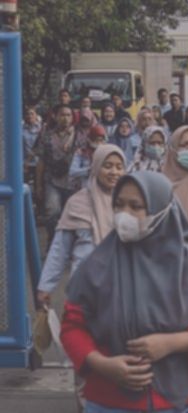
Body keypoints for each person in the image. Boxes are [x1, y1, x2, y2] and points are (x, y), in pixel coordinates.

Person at [60, 170, 188, 413]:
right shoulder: (97, 264)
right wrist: (102, 365)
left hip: (183, 401)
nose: (125, 214)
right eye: (119, 205)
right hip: (109, 401)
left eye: (136, 206)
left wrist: (173, 343)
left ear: (161, 210)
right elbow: (72, 326)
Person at [37, 144, 125, 307]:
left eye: (119, 167)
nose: (114, 172)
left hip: (119, 290)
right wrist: (45, 287)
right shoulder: (77, 203)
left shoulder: (128, 204)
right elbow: (60, 249)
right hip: (82, 290)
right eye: (108, 166)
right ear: (96, 167)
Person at [34, 104, 78, 243]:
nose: (65, 118)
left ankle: (68, 245)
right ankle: (53, 241)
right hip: (52, 181)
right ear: (55, 116)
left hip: (73, 182)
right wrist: (38, 185)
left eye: (68, 115)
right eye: (62, 115)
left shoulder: (78, 136)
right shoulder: (46, 136)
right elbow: (41, 161)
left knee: (72, 216)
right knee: (52, 213)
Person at [69, 125, 108, 189]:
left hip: (102, 187)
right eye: (96, 140)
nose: (99, 143)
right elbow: (72, 172)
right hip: (85, 187)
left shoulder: (107, 153)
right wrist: (89, 171)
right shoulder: (81, 152)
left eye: (101, 140)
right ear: (90, 139)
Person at [23, 106, 42, 184]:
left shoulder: (42, 128)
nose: (29, 116)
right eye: (27, 114)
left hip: (39, 163)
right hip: (25, 163)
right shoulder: (21, 129)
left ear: (36, 115)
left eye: (32, 114)